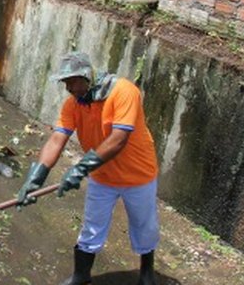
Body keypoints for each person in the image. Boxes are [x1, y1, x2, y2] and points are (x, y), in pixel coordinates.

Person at [16, 51, 159, 285]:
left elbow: (118, 139)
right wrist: (36, 178)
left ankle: (147, 274)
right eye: (65, 83)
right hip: (102, 176)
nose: (68, 88)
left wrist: (80, 169)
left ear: (86, 76)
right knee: (92, 226)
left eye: (72, 82)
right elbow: (57, 140)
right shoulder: (73, 105)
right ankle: (81, 275)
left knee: (144, 225)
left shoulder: (124, 92)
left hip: (138, 174)